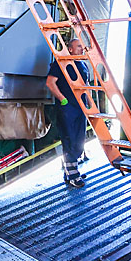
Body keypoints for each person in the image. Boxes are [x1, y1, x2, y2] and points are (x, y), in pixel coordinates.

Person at [46, 38, 93, 188]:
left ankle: (70, 172)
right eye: (78, 46)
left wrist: (91, 104)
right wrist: (62, 99)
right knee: (70, 140)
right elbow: (50, 82)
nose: (82, 49)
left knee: (79, 140)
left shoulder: (83, 64)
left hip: (81, 108)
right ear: (70, 49)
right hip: (67, 108)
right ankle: (73, 175)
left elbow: (86, 86)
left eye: (82, 46)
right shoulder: (61, 63)